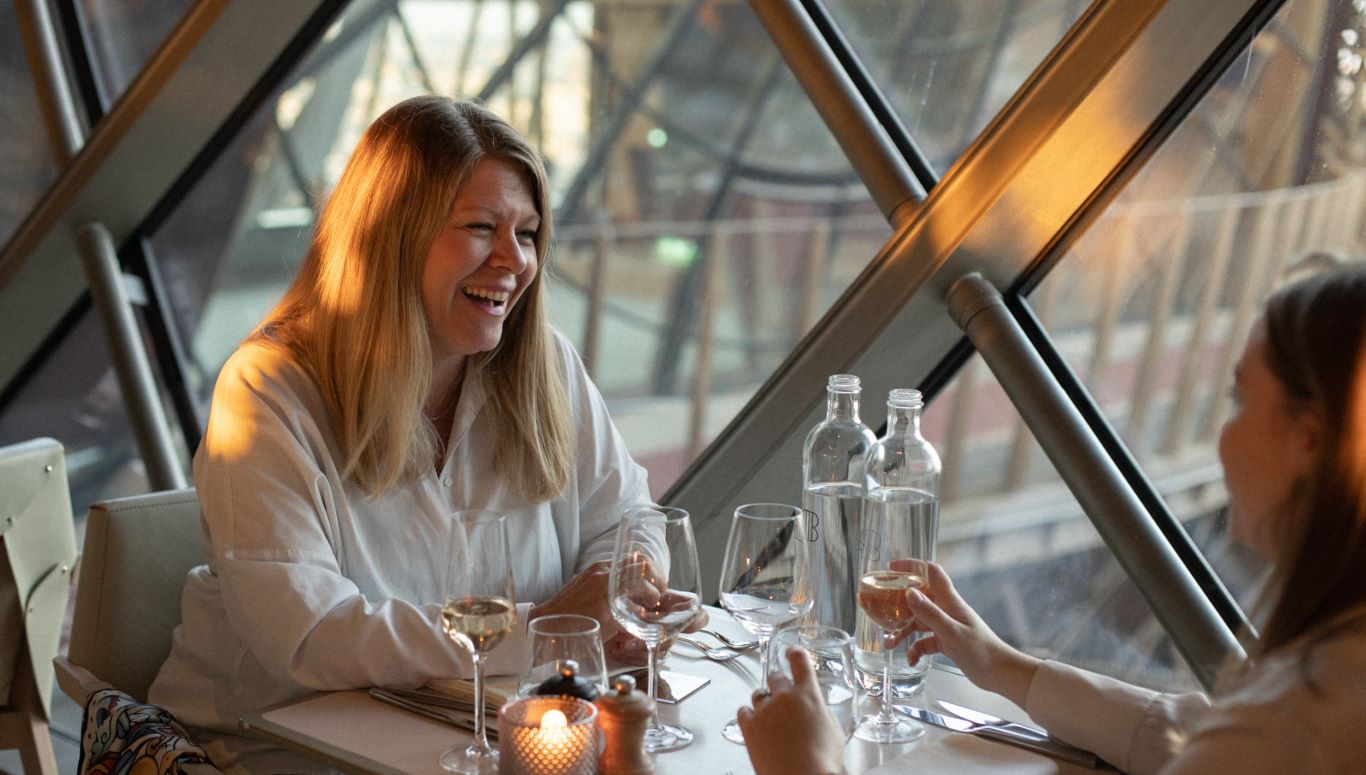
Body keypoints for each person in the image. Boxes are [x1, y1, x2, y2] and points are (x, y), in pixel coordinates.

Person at [148, 96, 701, 771]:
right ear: (390, 236)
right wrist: (543, 627)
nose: (514, 260)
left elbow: (630, 518)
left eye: (527, 234)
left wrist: (622, 593)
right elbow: (312, 636)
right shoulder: (269, 390)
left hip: (475, 739)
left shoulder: (544, 364)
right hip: (273, 746)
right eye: (481, 226)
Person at [739, 263, 1366, 775]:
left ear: (1307, 441)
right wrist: (1001, 665)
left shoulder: (1299, 726)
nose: (1221, 432)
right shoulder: (1326, 682)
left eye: (1239, 397)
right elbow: (1188, 732)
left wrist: (807, 766)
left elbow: (1236, 746)